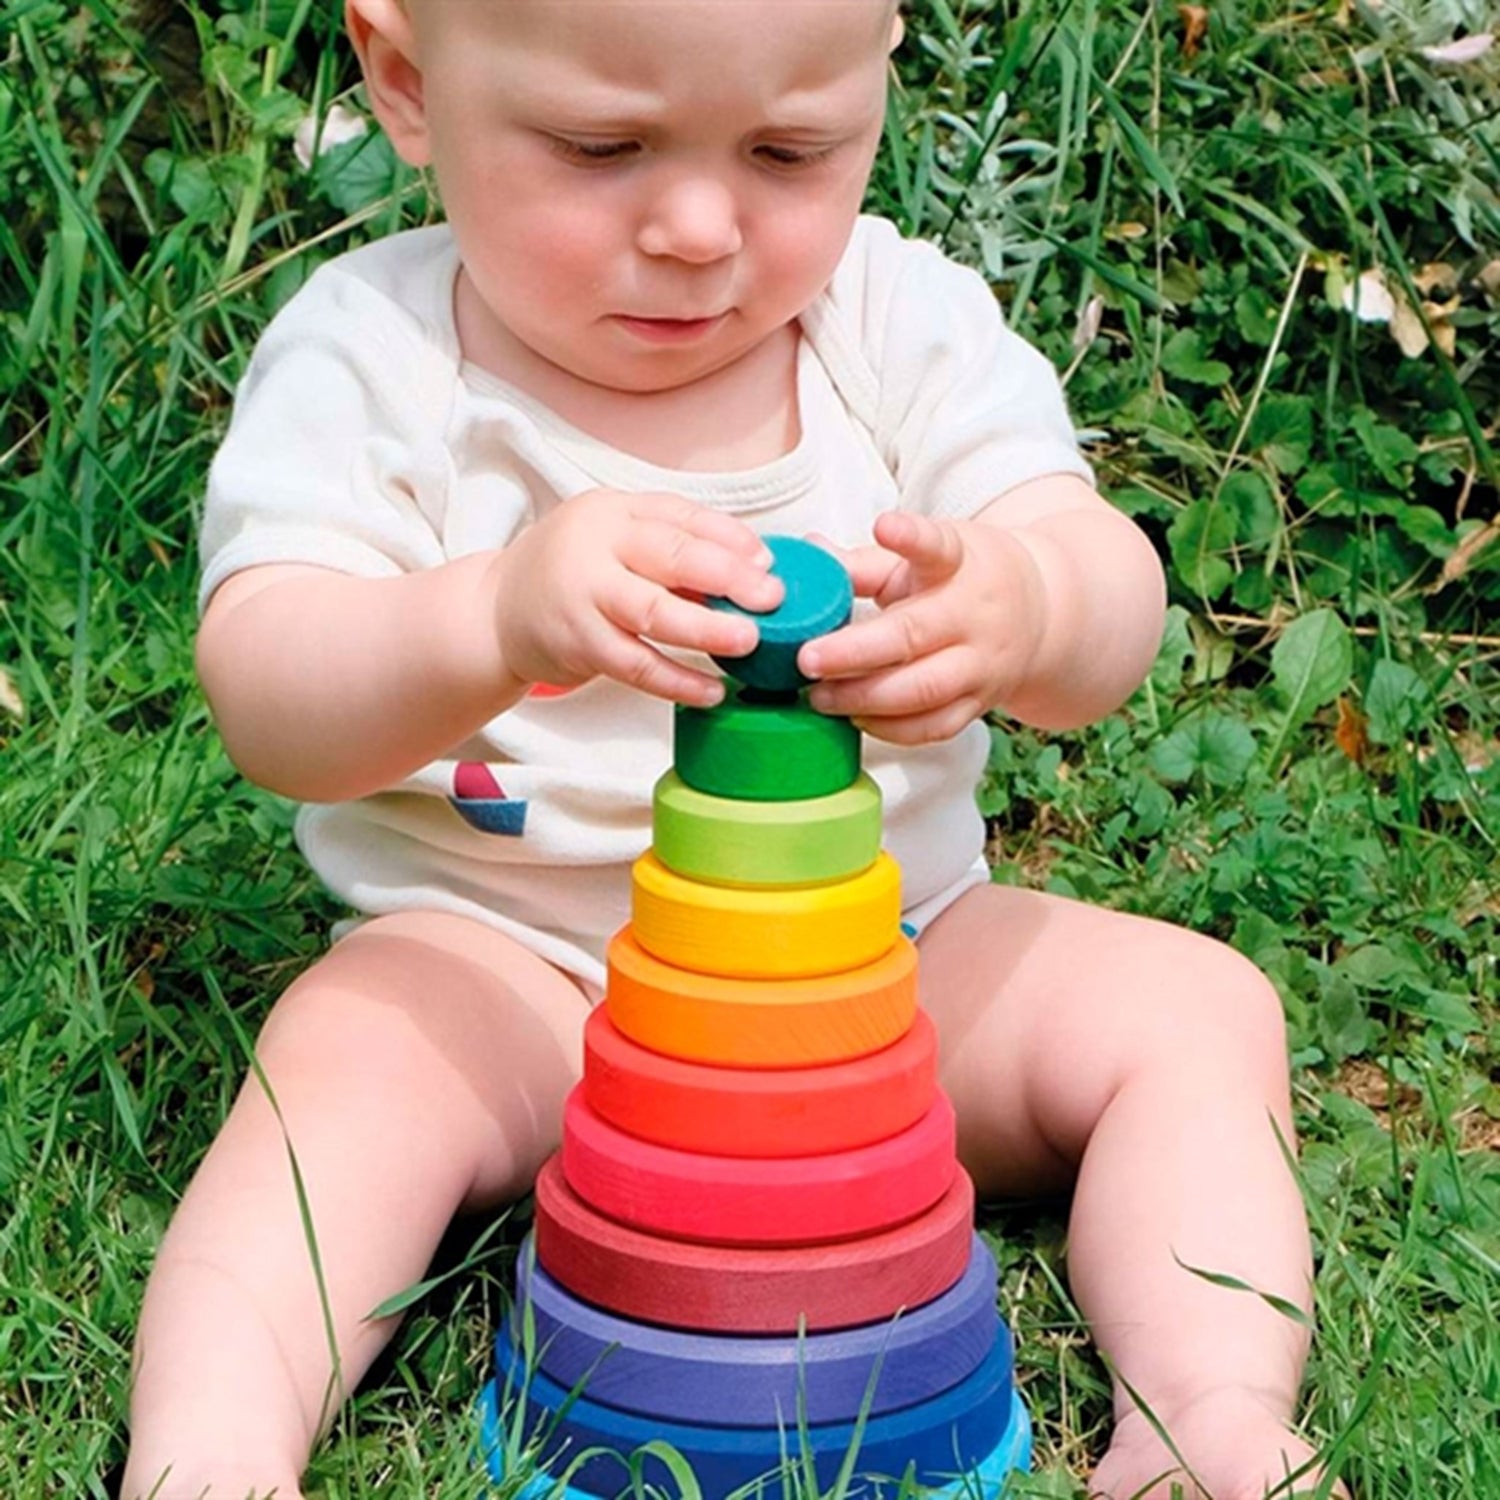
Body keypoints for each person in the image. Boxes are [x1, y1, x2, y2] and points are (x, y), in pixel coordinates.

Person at [121, 2, 1341, 1497]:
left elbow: (1105, 595)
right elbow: (270, 694)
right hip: (517, 977)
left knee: (1198, 1010)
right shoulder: (377, 355)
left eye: (789, 149)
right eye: (601, 146)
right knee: (339, 1076)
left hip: (882, 978)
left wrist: (1026, 603)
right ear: (407, 78)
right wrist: (488, 618)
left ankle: (1208, 1412)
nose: (701, 230)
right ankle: (211, 1455)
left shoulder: (894, 324)